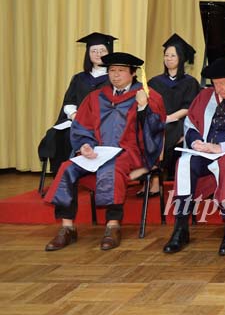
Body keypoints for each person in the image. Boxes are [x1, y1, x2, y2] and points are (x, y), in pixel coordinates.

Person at [44, 53, 166, 251]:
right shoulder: (96, 97)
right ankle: (67, 228)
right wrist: (85, 145)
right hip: (97, 152)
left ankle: (113, 225)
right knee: (67, 168)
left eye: (121, 71)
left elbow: (156, 130)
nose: (115, 75)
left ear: (133, 73)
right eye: (112, 70)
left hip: (131, 152)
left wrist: (143, 106)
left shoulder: (148, 95)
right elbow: (82, 127)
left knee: (112, 167)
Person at [163, 57, 225, 255]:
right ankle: (181, 228)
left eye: (223, 83)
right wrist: (196, 142)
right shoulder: (205, 96)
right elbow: (190, 123)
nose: (218, 89)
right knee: (185, 162)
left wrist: (224, 145)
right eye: (215, 84)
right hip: (206, 151)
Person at [38, 32, 116, 177]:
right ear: (88, 54)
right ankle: (62, 175)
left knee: (78, 136)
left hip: (102, 123)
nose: (98, 54)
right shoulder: (79, 78)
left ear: (109, 53)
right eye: (94, 51)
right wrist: (75, 115)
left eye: (102, 50)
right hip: (78, 120)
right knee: (57, 135)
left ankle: (82, 174)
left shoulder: (115, 77)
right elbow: (69, 101)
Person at [146, 33, 201, 193]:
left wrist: (169, 117)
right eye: (166, 55)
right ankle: (149, 176)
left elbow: (189, 107)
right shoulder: (154, 82)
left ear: (181, 58)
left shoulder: (190, 82)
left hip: (179, 121)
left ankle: (155, 177)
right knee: (147, 129)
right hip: (159, 119)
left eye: (172, 55)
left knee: (166, 131)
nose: (168, 59)